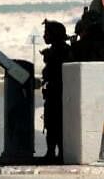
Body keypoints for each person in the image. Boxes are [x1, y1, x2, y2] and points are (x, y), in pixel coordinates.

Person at [40, 19, 71, 163]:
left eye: (47, 33)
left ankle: (56, 153)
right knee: (51, 124)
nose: (44, 36)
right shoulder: (57, 50)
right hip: (54, 94)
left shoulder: (61, 51)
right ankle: (52, 153)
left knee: (55, 125)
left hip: (58, 94)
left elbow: (52, 73)